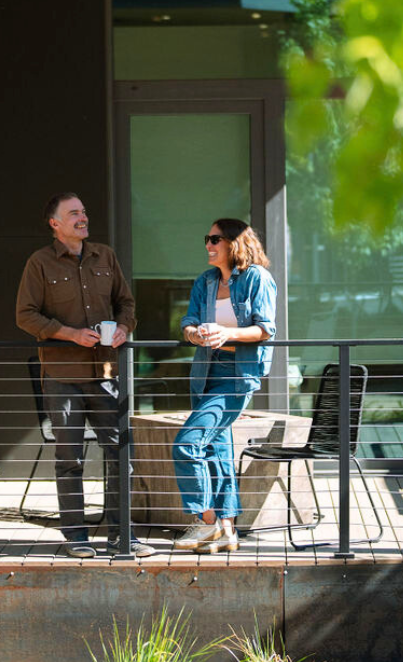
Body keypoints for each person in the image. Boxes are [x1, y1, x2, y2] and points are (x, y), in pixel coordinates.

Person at [15, 192, 154, 559]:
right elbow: (25, 315)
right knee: (70, 459)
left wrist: (124, 327)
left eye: (84, 212)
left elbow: (126, 302)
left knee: (120, 453)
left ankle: (123, 536)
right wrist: (70, 334)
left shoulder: (104, 256)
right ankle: (76, 537)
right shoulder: (40, 263)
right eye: (73, 213)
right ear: (55, 224)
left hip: (106, 373)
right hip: (62, 376)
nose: (83, 217)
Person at [171, 218, 276, 554]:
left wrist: (226, 333)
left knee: (187, 443)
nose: (208, 244)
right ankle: (228, 531)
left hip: (238, 373)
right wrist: (194, 333)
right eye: (207, 238)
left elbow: (265, 329)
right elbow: (187, 322)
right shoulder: (206, 281)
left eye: (215, 238)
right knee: (217, 451)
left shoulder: (257, 278)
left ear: (235, 243)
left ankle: (205, 522)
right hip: (206, 370)